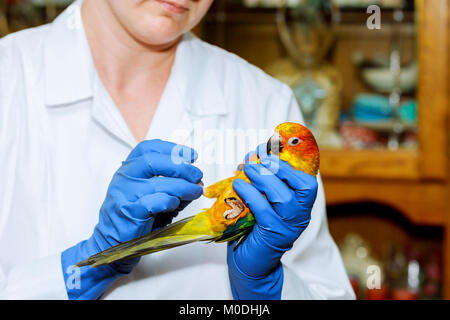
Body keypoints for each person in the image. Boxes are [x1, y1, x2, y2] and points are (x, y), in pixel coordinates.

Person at [0, 0, 354, 299]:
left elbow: (325, 290)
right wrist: (79, 271)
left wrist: (265, 288)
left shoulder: (267, 103)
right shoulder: (9, 78)